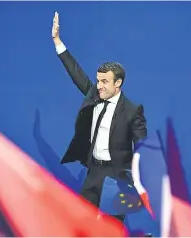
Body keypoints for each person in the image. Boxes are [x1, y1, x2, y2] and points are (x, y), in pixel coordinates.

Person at [51, 12, 148, 222]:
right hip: (94, 171)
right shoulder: (94, 95)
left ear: (118, 83)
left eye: (105, 82)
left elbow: (142, 148)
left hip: (116, 177)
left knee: (111, 229)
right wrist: (58, 43)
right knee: (83, 224)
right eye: (98, 80)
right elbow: (76, 73)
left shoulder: (132, 110)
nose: (99, 86)